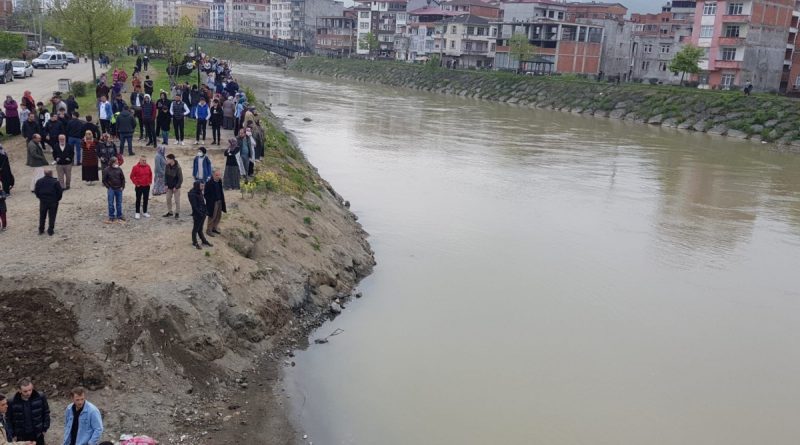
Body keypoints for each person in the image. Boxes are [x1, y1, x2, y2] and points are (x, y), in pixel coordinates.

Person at [9, 379, 51, 445]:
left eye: (30, 390)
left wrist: (44, 429)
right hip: (21, 437)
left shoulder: (40, 397)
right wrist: (13, 435)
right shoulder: (12, 402)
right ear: (19, 390)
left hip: (38, 434)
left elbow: (46, 413)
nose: (28, 393)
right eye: (25, 391)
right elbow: (9, 419)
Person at [33, 169, 63, 236]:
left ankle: (41, 229)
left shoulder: (39, 181)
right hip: (53, 202)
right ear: (51, 174)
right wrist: (57, 199)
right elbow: (60, 192)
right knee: (52, 216)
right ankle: (50, 230)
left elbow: (36, 191)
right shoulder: (55, 182)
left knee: (42, 216)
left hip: (43, 201)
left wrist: (40, 198)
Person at [188, 180, 212, 249]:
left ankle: (204, 241)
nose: (203, 187)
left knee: (200, 229)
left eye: (203, 186)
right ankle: (194, 242)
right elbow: (194, 206)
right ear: (197, 186)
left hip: (202, 213)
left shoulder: (199, 191)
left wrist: (205, 211)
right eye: (201, 186)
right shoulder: (192, 194)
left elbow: (203, 202)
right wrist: (200, 213)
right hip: (197, 214)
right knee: (195, 229)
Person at [102, 156, 125, 223]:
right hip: (111, 189)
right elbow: (104, 180)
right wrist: (108, 187)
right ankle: (111, 216)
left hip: (119, 188)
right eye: (116, 161)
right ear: (112, 162)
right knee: (110, 203)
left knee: (119, 203)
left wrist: (122, 187)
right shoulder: (106, 170)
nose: (117, 162)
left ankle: (119, 215)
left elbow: (122, 178)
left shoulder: (119, 169)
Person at [204, 169, 226, 237]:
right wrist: (211, 201)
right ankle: (209, 230)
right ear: (213, 175)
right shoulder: (209, 183)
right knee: (212, 216)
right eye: (217, 175)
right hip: (213, 203)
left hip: (219, 201)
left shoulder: (219, 181)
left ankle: (214, 228)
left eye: (219, 175)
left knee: (218, 216)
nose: (218, 176)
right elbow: (206, 194)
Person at [164, 154, 183, 219]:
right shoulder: (167, 166)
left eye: (168, 159)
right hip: (169, 186)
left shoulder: (178, 167)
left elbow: (180, 179)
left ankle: (177, 213)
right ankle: (170, 212)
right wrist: (166, 184)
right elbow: (165, 176)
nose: (167, 160)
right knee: (168, 199)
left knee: (177, 200)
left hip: (176, 187)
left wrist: (176, 187)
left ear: (172, 160)